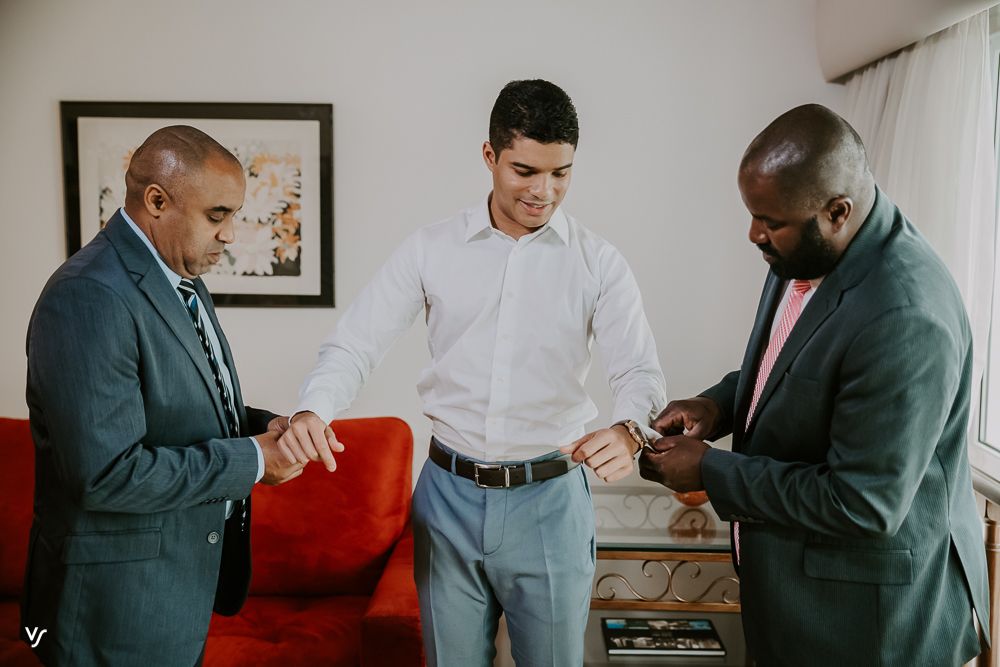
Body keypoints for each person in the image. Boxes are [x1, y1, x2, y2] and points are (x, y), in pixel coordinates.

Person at [278, 79, 666, 666]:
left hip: (552, 500)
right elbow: (355, 344)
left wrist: (629, 429)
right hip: (448, 499)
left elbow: (639, 369)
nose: (544, 191)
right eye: (525, 170)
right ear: (490, 156)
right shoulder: (430, 249)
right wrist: (314, 408)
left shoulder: (599, 262)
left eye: (560, 173)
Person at [639, 104, 990, 666]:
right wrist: (718, 405)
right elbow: (794, 366)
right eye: (753, 214)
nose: (753, 233)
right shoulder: (806, 245)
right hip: (796, 599)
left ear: (837, 211)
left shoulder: (905, 313)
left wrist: (710, 469)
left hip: (867, 626)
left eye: (769, 221)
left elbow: (863, 503)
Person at [22, 125, 304, 666]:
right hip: (113, 605)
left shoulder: (179, 276)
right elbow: (104, 474)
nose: (229, 234)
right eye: (217, 215)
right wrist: (249, 461)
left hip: (173, 592)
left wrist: (264, 428)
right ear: (157, 200)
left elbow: (174, 405)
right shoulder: (88, 295)